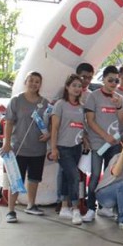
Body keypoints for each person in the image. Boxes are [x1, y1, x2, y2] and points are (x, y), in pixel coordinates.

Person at [2, 71, 51, 223]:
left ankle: (31, 205)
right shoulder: (16, 101)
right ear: (26, 82)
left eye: (37, 81)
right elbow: (9, 122)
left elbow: (51, 123)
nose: (34, 84)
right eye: (31, 80)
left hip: (38, 148)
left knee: (34, 179)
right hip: (18, 148)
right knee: (16, 180)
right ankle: (11, 210)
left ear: (40, 85)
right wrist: (7, 143)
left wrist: (48, 134)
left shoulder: (45, 103)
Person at [84, 65, 123, 222]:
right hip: (98, 143)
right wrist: (105, 136)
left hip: (114, 143)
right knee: (95, 175)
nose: (113, 83)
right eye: (110, 80)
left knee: (110, 176)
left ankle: (105, 207)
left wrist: (118, 106)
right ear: (103, 79)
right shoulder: (93, 96)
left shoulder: (120, 98)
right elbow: (90, 121)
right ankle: (90, 208)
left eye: (116, 80)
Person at [49, 74, 87, 225]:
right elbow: (55, 128)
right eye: (74, 85)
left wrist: (85, 140)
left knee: (66, 175)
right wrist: (53, 148)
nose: (77, 89)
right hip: (63, 147)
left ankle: (64, 207)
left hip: (76, 147)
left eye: (79, 86)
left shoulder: (81, 107)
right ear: (67, 87)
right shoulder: (60, 104)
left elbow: (82, 127)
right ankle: (75, 209)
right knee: (74, 177)